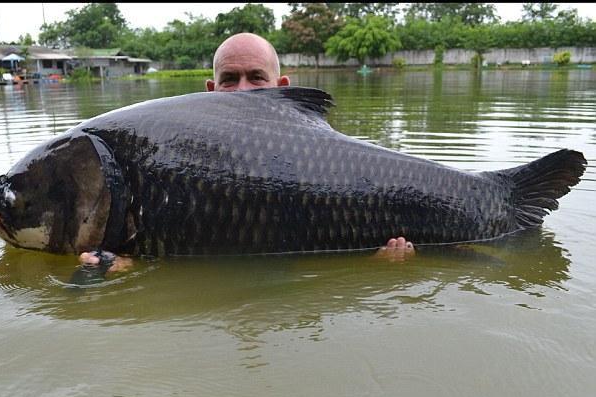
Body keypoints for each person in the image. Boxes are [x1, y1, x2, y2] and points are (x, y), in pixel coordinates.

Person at [79, 33, 413, 272]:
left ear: (282, 88)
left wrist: (375, 265)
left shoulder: (333, 161)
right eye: (229, 79)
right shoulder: (184, 154)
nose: (243, 90)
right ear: (210, 90)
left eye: (256, 78)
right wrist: (123, 268)